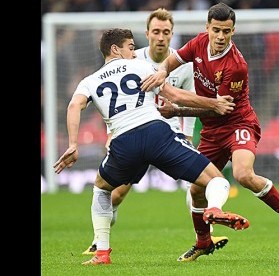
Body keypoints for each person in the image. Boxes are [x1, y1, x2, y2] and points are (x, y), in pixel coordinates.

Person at [53, 28, 250, 265]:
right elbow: (174, 95)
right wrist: (213, 103)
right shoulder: (140, 66)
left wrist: (73, 143)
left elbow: (74, 106)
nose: (134, 52)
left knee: (102, 189)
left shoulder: (90, 81)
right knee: (216, 180)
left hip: (123, 142)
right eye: (130, 47)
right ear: (115, 49)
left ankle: (102, 252)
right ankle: (215, 209)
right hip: (156, 133)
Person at [142, 2, 279, 262]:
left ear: (233, 31)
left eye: (226, 31)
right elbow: (174, 60)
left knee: (243, 174)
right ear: (207, 28)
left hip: (238, 123)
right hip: (211, 131)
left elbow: (218, 109)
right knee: (196, 189)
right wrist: (162, 71)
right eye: (216, 30)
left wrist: (177, 108)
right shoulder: (198, 43)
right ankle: (203, 242)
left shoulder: (236, 66)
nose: (220, 37)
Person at [81, 8, 228, 256]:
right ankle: (99, 241)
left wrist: (188, 135)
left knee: (199, 184)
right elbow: (112, 99)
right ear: (147, 34)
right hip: (134, 132)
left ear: (172, 35)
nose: (161, 37)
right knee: (115, 196)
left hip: (168, 133)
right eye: (156, 32)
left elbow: (188, 99)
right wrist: (111, 134)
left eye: (166, 32)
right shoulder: (131, 60)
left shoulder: (183, 66)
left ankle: (205, 237)